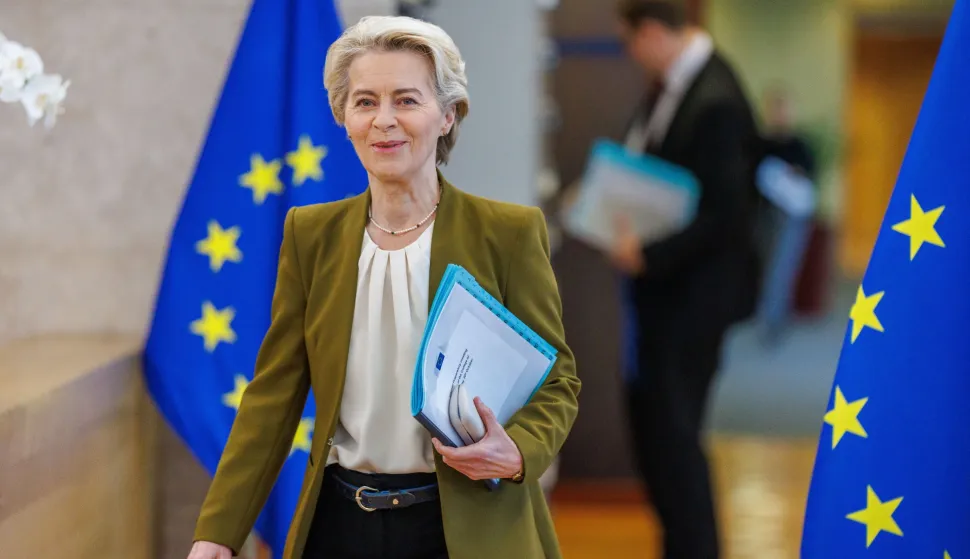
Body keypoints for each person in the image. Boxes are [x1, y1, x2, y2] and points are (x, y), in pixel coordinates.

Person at [186, 15, 581, 559]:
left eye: (407, 100)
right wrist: (218, 533)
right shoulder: (311, 234)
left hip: (467, 528)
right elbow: (272, 397)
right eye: (365, 102)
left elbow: (557, 380)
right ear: (344, 118)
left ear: (447, 115)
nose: (384, 121)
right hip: (340, 525)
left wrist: (517, 451)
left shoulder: (507, 233)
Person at [608, 2, 761, 558]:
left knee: (675, 440)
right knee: (657, 435)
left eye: (629, 41)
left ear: (651, 32)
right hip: (664, 295)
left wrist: (650, 254)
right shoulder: (672, 85)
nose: (630, 54)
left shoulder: (714, 96)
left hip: (694, 297)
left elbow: (726, 215)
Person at [755, 85, 818, 346]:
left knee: (782, 268)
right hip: (764, 214)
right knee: (764, 267)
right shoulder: (761, 144)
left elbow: (809, 178)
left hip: (791, 216)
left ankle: (775, 319)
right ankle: (764, 315)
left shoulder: (800, 145)